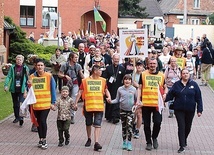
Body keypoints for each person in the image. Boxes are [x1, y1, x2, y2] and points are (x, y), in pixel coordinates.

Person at [74, 65, 111, 151]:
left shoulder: (103, 80)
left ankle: (96, 142)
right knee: (88, 123)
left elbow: (106, 90)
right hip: (88, 106)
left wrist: (109, 97)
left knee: (97, 124)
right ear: (95, 71)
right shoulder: (85, 81)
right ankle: (89, 138)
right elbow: (80, 92)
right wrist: (75, 103)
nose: (101, 72)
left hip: (99, 106)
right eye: (100, 70)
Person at [165, 69, 203, 153]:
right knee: (181, 126)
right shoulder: (176, 85)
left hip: (190, 109)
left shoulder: (194, 84)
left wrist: (199, 110)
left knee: (188, 127)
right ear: (181, 75)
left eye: (187, 73)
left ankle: (184, 138)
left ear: (189, 75)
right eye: (183, 73)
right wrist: (163, 99)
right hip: (179, 109)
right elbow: (171, 95)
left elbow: (199, 98)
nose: (185, 75)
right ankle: (181, 145)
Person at [137, 58, 167, 151]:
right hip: (146, 103)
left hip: (157, 104)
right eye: (151, 63)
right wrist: (138, 100)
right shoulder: (143, 74)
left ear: (157, 65)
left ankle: (154, 137)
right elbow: (139, 88)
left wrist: (165, 93)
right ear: (148, 64)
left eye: (154, 63)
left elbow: (165, 87)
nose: (152, 65)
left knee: (158, 122)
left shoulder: (161, 75)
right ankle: (148, 142)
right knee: (146, 124)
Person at [29, 59, 56, 149]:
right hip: (35, 104)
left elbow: (53, 89)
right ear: (35, 66)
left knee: (43, 121)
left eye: (41, 65)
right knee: (38, 122)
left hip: (45, 104)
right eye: (38, 65)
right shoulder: (32, 77)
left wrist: (53, 102)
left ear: (44, 66)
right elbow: (29, 89)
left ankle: (44, 139)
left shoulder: (49, 76)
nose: (40, 67)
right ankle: (40, 139)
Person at [110, 74, 137, 151]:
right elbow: (117, 99)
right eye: (125, 79)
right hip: (122, 110)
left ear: (131, 81)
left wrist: (138, 104)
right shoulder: (120, 89)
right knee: (124, 127)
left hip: (131, 111)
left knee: (129, 126)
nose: (127, 81)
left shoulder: (134, 89)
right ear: (123, 80)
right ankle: (124, 142)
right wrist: (110, 101)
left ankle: (129, 142)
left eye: (129, 79)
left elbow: (136, 100)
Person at [58, 52, 84, 124]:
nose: (76, 59)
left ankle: (72, 116)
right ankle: (64, 115)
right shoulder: (64, 65)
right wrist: (65, 76)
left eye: (77, 57)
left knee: (73, 99)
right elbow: (59, 74)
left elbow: (81, 74)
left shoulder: (78, 66)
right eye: (75, 57)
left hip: (75, 84)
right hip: (66, 84)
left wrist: (86, 80)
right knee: (65, 99)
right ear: (71, 58)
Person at [4, 55, 29, 126]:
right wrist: (6, 85)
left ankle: (21, 118)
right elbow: (9, 76)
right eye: (17, 59)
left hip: (22, 88)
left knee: (21, 103)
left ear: (22, 60)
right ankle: (17, 117)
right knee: (15, 104)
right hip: (14, 88)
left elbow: (28, 79)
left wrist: (26, 89)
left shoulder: (25, 68)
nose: (18, 61)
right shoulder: (12, 67)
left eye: (20, 60)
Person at [103, 53, 126, 124]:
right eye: (115, 59)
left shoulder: (122, 68)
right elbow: (104, 78)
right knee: (109, 101)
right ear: (112, 59)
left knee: (117, 102)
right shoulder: (108, 68)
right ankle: (109, 116)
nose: (116, 60)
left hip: (119, 87)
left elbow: (124, 78)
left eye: (117, 59)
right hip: (110, 88)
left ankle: (116, 117)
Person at [132, 60, 144, 138]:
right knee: (133, 113)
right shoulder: (133, 74)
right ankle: (133, 124)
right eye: (137, 65)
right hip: (133, 96)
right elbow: (132, 82)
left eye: (140, 65)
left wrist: (139, 86)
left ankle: (137, 129)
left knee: (139, 113)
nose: (139, 66)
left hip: (142, 96)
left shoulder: (145, 74)